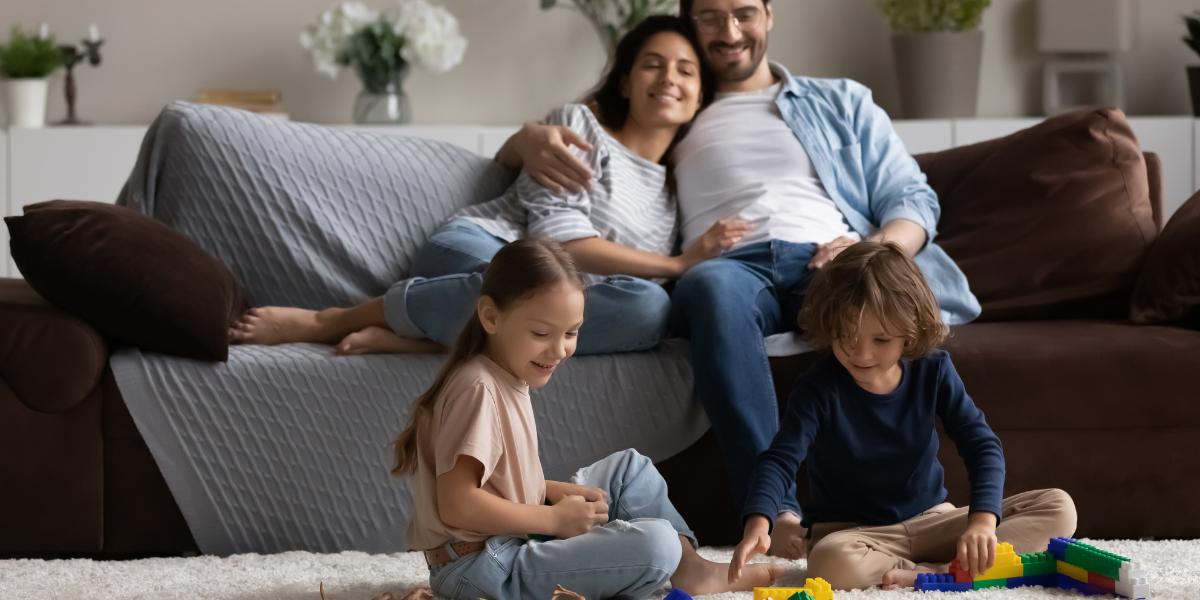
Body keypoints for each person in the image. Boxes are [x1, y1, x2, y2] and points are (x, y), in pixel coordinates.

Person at [498, 0, 984, 558]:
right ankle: (773, 513)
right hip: (727, 267)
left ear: (769, 15)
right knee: (709, 289)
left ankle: (914, 519)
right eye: (709, 16)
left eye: (744, 12)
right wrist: (526, 138)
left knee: (881, 307)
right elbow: (588, 132)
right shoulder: (676, 102)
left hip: (827, 259)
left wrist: (875, 253)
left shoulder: (839, 99)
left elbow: (912, 197)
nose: (729, 31)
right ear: (689, 23)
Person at [229, 16, 743, 357]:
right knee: (554, 298)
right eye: (652, 64)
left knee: (649, 311)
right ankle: (328, 321)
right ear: (626, 82)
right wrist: (676, 264)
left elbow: (626, 296)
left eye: (686, 70)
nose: (669, 78)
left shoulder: (677, 195)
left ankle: (432, 340)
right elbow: (560, 242)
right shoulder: (578, 130)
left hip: (551, 302)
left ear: (700, 97)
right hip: (480, 249)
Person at [394, 236, 785, 600]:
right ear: (491, 317)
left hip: (504, 544)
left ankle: (692, 570)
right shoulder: (477, 387)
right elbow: (458, 505)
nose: (560, 349)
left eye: (571, 333)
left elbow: (494, 480)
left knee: (629, 470)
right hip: (480, 568)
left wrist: (548, 491)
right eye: (541, 332)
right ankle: (671, 562)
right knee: (656, 542)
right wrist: (553, 520)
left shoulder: (504, 375)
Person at [726, 241, 1076, 590]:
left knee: (1059, 508)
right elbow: (779, 459)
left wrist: (982, 523)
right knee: (829, 563)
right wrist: (759, 522)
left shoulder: (934, 370)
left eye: (880, 339)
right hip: (855, 537)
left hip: (933, 521)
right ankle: (947, 570)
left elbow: (981, 445)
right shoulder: (818, 387)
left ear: (910, 332)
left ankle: (939, 568)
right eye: (847, 335)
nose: (861, 353)